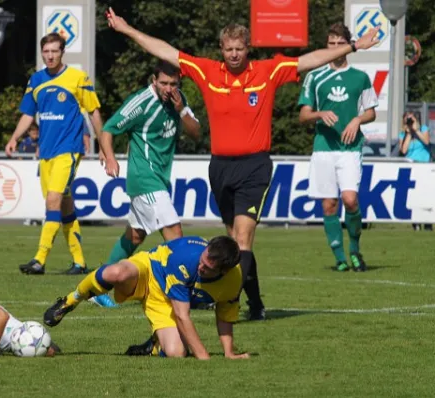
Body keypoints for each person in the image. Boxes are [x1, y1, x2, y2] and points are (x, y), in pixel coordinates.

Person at [105, 7, 380, 320]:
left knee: (243, 238)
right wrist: (126, 29)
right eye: (229, 49)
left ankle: (227, 303)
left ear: (248, 48)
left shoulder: (267, 71)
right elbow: (163, 50)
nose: (234, 55)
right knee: (234, 243)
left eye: (240, 49)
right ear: (221, 50)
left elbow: (309, 59)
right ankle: (256, 304)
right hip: (220, 167)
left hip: (255, 166)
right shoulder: (208, 71)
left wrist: (354, 46)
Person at [96, 60, 201, 308]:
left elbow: (196, 132)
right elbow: (109, 129)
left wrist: (182, 110)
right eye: (163, 83)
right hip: (145, 179)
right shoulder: (141, 102)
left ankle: (100, 286)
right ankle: (185, 292)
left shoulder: (179, 100)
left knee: (134, 236)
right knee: (174, 234)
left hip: (159, 180)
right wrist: (110, 157)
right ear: (154, 81)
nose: (168, 88)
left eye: (173, 84)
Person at [43, 236, 249, 360]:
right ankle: (70, 300)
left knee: (176, 353)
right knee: (117, 273)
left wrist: (228, 352)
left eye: (208, 268)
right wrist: (204, 357)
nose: (201, 267)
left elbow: (225, 313)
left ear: (225, 270)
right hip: (148, 271)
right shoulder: (185, 259)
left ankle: (154, 345)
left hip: (162, 299)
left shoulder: (233, 281)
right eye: (202, 260)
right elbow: (182, 315)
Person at [5, 32, 104, 275]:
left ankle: (39, 259)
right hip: (46, 152)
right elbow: (29, 114)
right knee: (65, 205)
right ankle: (79, 262)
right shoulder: (36, 80)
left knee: (53, 201)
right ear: (42, 53)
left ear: (62, 52)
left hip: (68, 150)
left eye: (54, 51)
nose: (50, 56)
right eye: (46, 52)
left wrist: (104, 146)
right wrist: (14, 137)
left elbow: (93, 111)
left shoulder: (77, 78)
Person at [298, 23, 378, 272]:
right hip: (323, 148)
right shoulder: (315, 76)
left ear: (348, 44)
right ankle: (340, 258)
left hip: (350, 148)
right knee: (329, 205)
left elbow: (371, 113)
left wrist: (356, 119)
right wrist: (320, 114)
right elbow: (303, 116)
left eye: (339, 43)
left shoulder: (360, 77)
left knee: (350, 200)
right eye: (330, 43)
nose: (334, 48)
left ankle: (354, 249)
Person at [399, 111, 432, 231]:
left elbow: (426, 141)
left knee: (425, 194)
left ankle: (428, 222)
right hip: (411, 166)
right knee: (413, 195)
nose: (409, 121)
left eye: (411, 118)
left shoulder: (423, 128)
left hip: (424, 165)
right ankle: (416, 222)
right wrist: (408, 133)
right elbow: (403, 151)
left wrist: (416, 130)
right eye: (407, 119)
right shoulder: (403, 134)